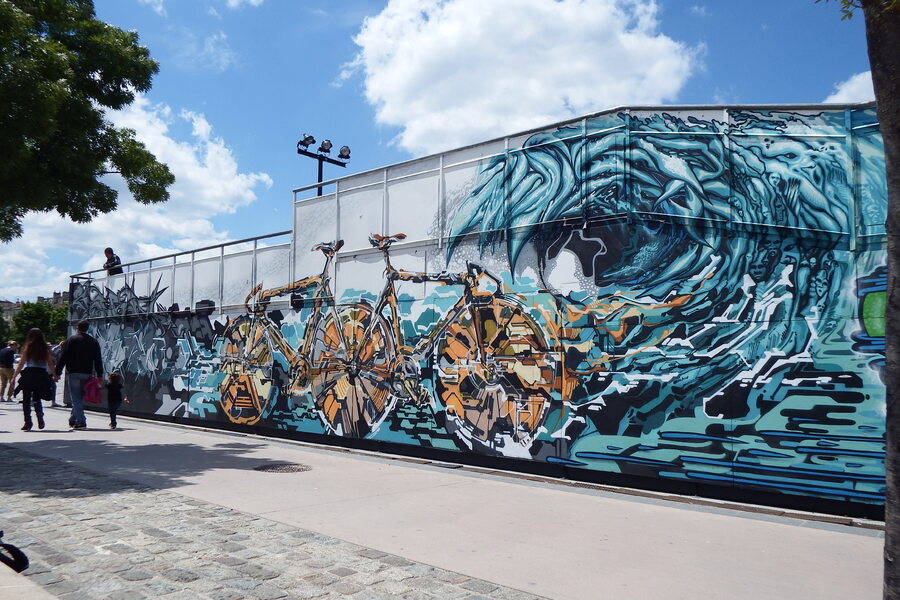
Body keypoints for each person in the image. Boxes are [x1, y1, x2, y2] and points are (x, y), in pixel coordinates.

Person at [55, 320, 103, 430]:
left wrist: (57, 372)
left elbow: (63, 357)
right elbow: (98, 359)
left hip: (73, 372)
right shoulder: (93, 341)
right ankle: (73, 419)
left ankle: (81, 421)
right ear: (87, 328)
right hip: (87, 373)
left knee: (75, 397)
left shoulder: (71, 340)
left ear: (77, 327)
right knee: (79, 397)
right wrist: (100, 374)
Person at [11, 329, 54, 431]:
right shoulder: (45, 348)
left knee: (26, 399)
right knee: (37, 397)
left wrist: (14, 376)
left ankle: (28, 422)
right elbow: (50, 363)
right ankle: (40, 416)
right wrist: (54, 374)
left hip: (29, 374)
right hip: (41, 374)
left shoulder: (29, 347)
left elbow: (21, 363)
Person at [48, 339, 64, 407]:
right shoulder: (45, 354)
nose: (50, 348)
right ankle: (34, 400)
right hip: (44, 373)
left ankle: (53, 402)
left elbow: (55, 350)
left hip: (49, 373)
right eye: (48, 347)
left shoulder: (51, 353)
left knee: (53, 387)